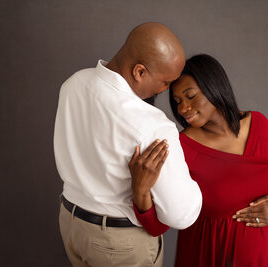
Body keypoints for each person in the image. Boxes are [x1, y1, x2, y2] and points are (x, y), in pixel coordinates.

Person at [53, 22, 202, 267]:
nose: (166, 90)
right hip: (117, 245)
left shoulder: (73, 84)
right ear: (140, 72)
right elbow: (182, 214)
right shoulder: (152, 125)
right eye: (165, 82)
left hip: (71, 224)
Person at [131, 54, 268, 266]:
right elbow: (157, 227)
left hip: (267, 259)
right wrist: (140, 190)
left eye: (190, 96)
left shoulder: (260, 123)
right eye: (177, 102)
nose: (183, 109)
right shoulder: (180, 146)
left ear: (214, 87)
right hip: (210, 256)